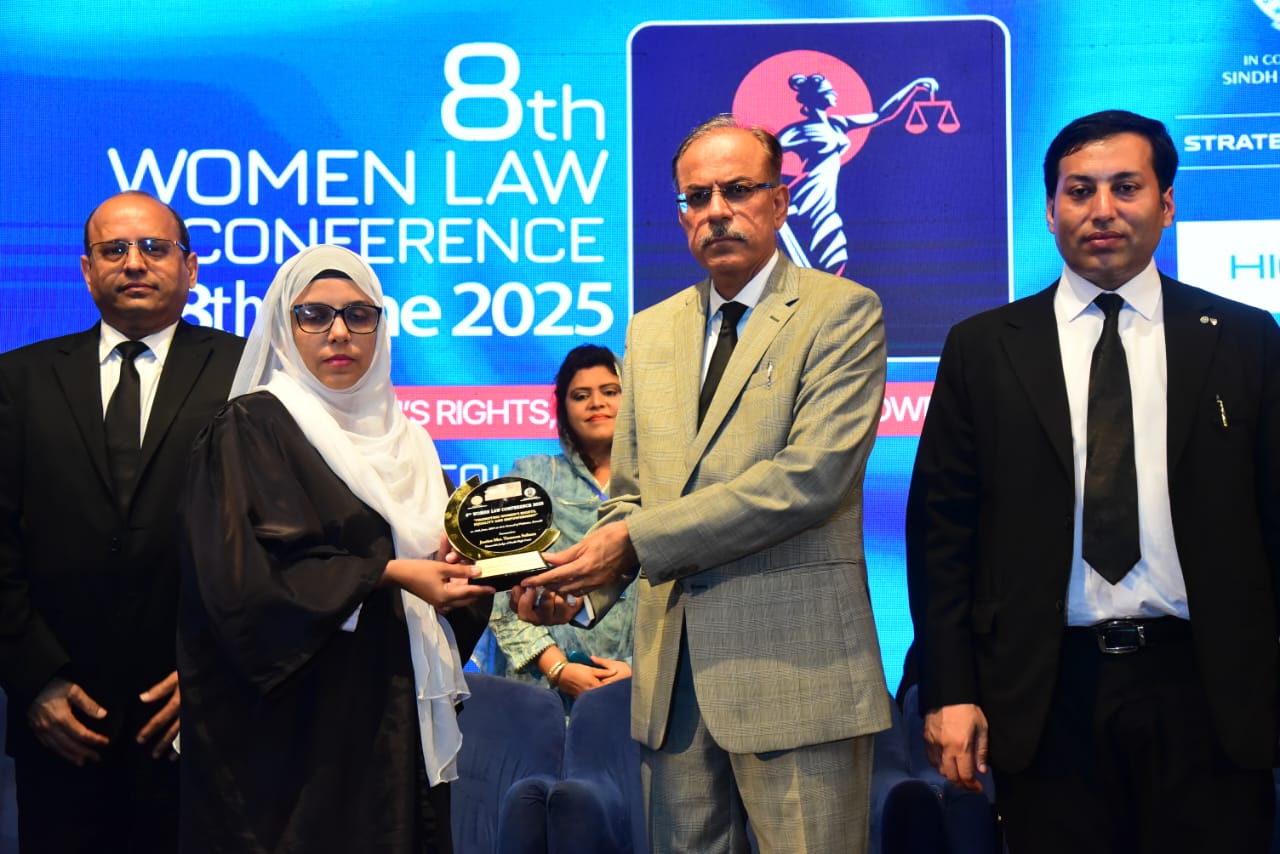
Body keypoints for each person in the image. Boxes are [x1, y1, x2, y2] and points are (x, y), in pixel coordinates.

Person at [514, 114, 892, 853]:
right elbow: (629, 497)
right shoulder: (650, 332)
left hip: (797, 674)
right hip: (671, 686)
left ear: (779, 201)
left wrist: (632, 542)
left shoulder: (842, 312)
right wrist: (578, 588)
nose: (716, 211)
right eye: (696, 197)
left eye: (738, 190)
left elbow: (809, 479)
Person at [906, 109, 1280, 853]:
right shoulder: (984, 348)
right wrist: (950, 690)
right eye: (1079, 191)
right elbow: (941, 533)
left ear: (1166, 205)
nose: (1102, 210)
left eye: (1125, 188)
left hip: (1208, 687)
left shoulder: (1245, 338)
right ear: (1050, 211)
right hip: (1045, 693)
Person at [176, 244, 493, 853]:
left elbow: (446, 576)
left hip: (395, 711)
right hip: (293, 731)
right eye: (314, 315)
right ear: (283, 327)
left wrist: (468, 579)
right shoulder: (250, 427)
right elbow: (238, 583)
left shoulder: (412, 442)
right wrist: (387, 573)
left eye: (359, 314)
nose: (340, 332)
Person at [0, 190, 244, 853]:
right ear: (87, 271)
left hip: (207, 720)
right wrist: (35, 678)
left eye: (154, 248)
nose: (134, 263)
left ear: (190, 268)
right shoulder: (18, 381)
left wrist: (216, 675)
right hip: (60, 725)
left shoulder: (250, 376)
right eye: (114, 250)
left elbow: (275, 545)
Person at [483, 344, 634, 708]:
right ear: (563, 408)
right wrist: (558, 668)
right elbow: (501, 586)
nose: (597, 403)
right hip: (544, 693)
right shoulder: (531, 478)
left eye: (610, 391)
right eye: (581, 395)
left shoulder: (662, 485)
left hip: (643, 692)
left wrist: (640, 670)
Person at [778, 72, 937, 275]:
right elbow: (765, 152)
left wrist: (914, 86)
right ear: (815, 97)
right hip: (809, 191)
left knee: (834, 255)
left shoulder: (838, 124)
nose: (835, 94)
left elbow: (882, 115)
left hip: (826, 196)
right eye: (829, 91)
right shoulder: (798, 131)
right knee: (810, 245)